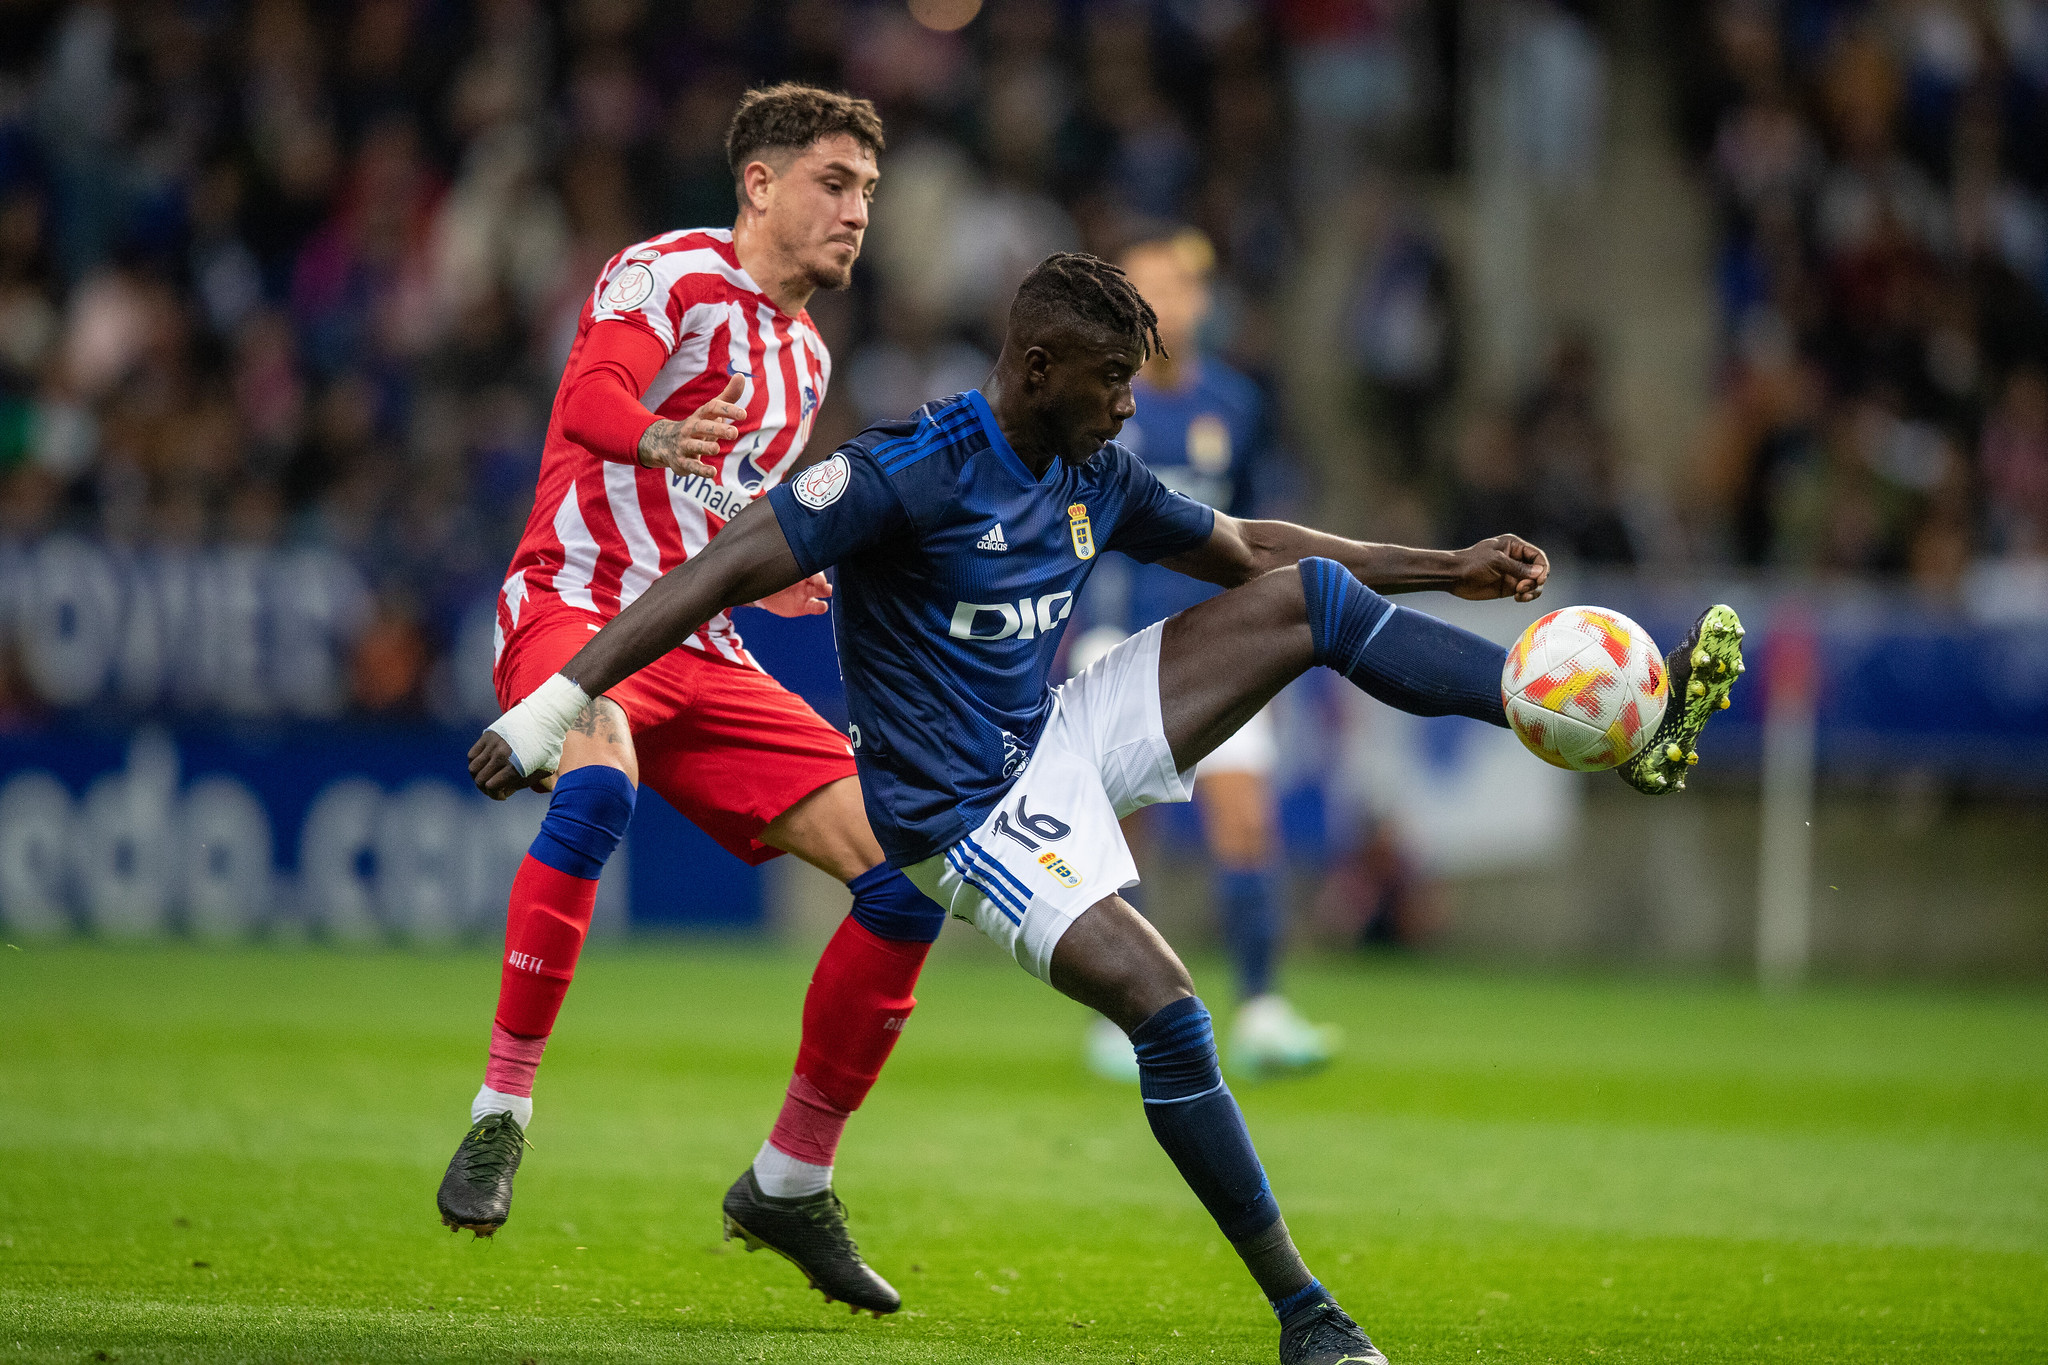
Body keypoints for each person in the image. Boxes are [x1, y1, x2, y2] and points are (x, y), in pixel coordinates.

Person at [469, 253, 1744, 1363]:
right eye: (1110, 380)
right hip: (958, 816)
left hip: (1057, 733)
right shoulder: (905, 472)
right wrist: (554, 702)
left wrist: (1445, 569)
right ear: (1031, 367)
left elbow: (1247, 546)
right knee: (1167, 1007)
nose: (1131, 401)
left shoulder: (1093, 469)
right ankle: (1306, 1316)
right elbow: (721, 565)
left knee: (1303, 607)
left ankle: (1566, 726)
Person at [435, 84, 941, 1319]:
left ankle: (789, 1177)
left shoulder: (808, 354)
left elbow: (734, 520)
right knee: (598, 788)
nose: (856, 210)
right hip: (583, 608)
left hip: (706, 648)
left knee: (907, 878)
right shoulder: (663, 274)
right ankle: (500, 1112)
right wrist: (655, 440)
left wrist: (782, 586)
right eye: (833, 181)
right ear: (758, 184)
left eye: (867, 189)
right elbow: (592, 401)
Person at [1069, 228, 1336, 1082]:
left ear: (1202, 302)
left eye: (1179, 290)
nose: (1165, 307)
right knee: (1120, 832)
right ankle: (1128, 1014)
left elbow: (1258, 528)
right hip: (1118, 642)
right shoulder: (1095, 404)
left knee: (1245, 818)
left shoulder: (1237, 404)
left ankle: (1260, 1009)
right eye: (1147, 290)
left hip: (1219, 645)